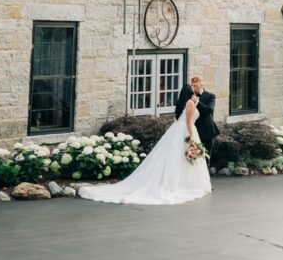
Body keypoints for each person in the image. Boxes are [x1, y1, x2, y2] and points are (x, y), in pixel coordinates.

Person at [79, 85, 211, 205]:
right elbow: (188, 121)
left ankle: (179, 182)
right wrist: (192, 137)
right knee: (180, 157)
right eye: (193, 91)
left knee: (177, 158)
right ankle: (181, 184)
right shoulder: (190, 104)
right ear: (190, 93)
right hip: (186, 131)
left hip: (179, 130)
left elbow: (179, 118)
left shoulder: (182, 104)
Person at [188, 75, 220, 155]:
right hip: (192, 131)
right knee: (192, 156)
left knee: (205, 157)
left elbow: (208, 110)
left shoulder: (210, 96)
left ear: (201, 85)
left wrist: (197, 102)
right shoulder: (188, 96)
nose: (193, 88)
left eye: (195, 86)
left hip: (206, 132)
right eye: (192, 85)